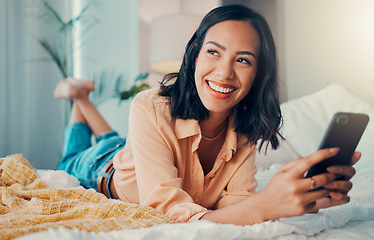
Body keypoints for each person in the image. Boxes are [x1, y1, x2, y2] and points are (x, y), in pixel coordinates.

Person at [54, 5, 360, 225]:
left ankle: (82, 97)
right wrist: (267, 206)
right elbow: (167, 212)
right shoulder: (148, 106)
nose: (224, 73)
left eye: (243, 60)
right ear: (196, 54)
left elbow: (233, 206)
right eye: (214, 52)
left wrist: (304, 200)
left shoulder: (244, 130)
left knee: (114, 141)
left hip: (131, 154)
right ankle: (79, 96)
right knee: (71, 157)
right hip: (103, 168)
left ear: (258, 74)